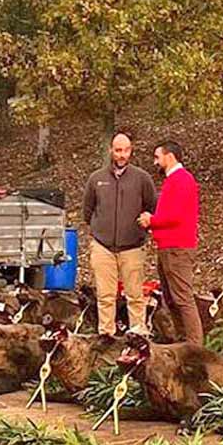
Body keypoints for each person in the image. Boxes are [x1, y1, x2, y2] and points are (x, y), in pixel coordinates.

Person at [83, 132, 157, 336]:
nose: (122, 154)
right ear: (111, 151)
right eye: (118, 150)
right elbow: (87, 211)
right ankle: (106, 337)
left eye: (126, 150)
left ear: (131, 151)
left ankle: (138, 336)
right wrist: (99, 230)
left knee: (135, 295)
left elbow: (152, 208)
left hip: (132, 246)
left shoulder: (142, 178)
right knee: (105, 296)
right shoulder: (96, 179)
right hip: (103, 246)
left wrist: (141, 229)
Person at [138, 141, 203, 345]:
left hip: (178, 248)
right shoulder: (172, 181)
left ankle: (194, 346)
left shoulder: (182, 180)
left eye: (158, 157)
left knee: (182, 298)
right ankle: (183, 341)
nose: (155, 162)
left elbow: (176, 215)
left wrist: (151, 220)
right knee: (172, 299)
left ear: (170, 156)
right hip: (167, 246)